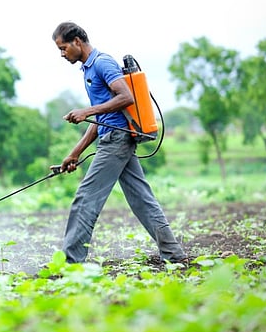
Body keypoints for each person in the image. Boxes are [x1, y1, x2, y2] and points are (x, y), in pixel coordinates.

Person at [52, 22, 187, 264]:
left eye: (63, 48)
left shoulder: (102, 63)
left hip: (116, 140)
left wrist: (87, 111)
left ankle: (70, 264)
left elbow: (126, 97)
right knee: (142, 200)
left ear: (77, 42)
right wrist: (75, 153)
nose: (62, 54)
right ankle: (173, 254)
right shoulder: (88, 69)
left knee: (85, 199)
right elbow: (101, 119)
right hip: (114, 138)